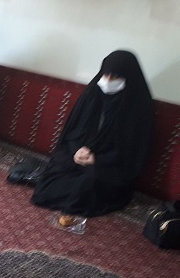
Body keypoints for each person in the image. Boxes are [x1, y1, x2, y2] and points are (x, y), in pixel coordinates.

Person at [31, 50, 155, 217]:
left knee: (86, 185)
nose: (108, 81)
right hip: (80, 153)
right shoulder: (92, 95)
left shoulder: (138, 108)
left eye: (115, 77)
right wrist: (78, 150)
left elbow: (131, 152)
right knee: (55, 171)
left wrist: (97, 159)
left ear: (128, 78)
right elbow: (75, 131)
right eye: (106, 75)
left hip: (110, 164)